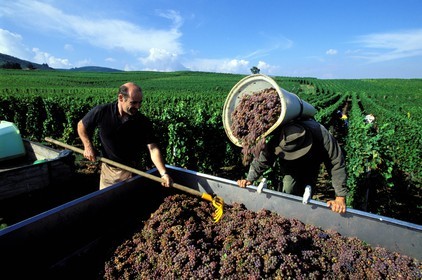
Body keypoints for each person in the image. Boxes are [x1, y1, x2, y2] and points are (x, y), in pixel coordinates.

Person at [237, 118, 348, 214]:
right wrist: (249, 179)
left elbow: (336, 162)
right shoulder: (279, 136)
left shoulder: (321, 134)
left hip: (312, 158)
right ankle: (287, 214)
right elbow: (262, 160)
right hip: (288, 162)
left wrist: (340, 196)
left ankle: (304, 214)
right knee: (288, 188)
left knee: (308, 188)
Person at [77, 82, 172, 189]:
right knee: (107, 202)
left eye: (140, 102)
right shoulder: (102, 112)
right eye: (133, 103)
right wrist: (88, 146)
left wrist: (164, 173)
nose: (138, 107)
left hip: (133, 171)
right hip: (108, 171)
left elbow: (153, 149)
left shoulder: (142, 121)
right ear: (121, 98)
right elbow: (81, 125)